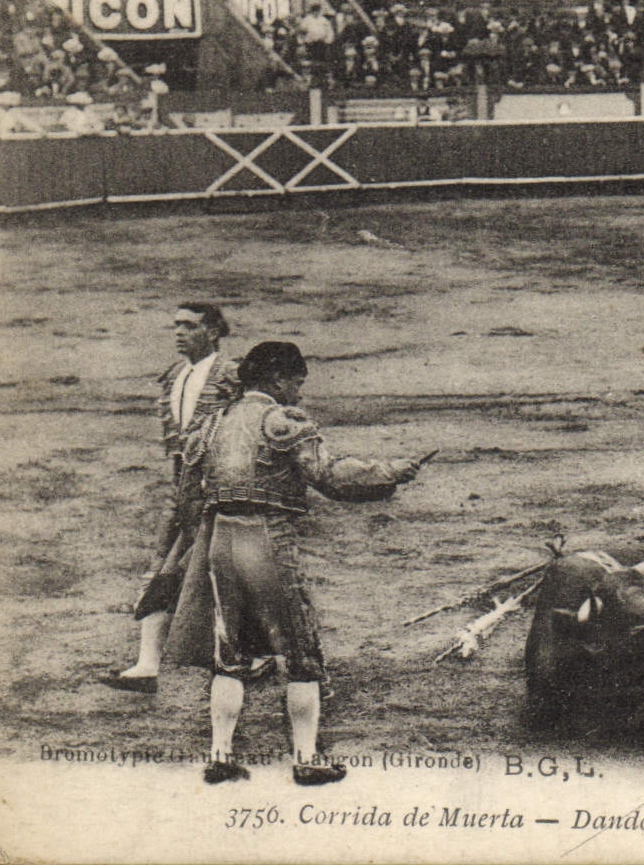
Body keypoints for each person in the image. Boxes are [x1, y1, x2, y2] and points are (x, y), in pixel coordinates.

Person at [164, 342, 431, 785]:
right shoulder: (283, 424)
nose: (299, 394)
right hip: (270, 540)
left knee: (229, 654)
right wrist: (391, 472)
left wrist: (198, 545)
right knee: (301, 652)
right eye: (295, 383)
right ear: (275, 379)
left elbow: (188, 499)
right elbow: (330, 478)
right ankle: (306, 760)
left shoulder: (211, 425)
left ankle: (220, 756)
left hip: (220, 540)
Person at [100, 304, 239, 693]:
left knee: (222, 571)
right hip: (182, 488)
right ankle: (148, 665)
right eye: (176, 325)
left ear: (213, 332)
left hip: (217, 489)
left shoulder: (230, 375)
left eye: (189, 326)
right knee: (162, 565)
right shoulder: (176, 375)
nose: (179, 332)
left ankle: (249, 657)